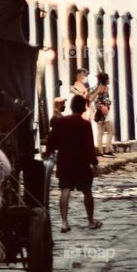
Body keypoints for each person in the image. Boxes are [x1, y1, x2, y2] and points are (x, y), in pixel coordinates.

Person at [45, 94, 101, 233]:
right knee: (87, 191)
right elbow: (89, 146)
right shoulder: (85, 124)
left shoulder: (60, 122)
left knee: (65, 191)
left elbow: (51, 140)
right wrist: (94, 163)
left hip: (64, 162)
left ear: (70, 107)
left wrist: (49, 152)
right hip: (81, 164)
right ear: (83, 108)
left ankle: (64, 223)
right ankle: (90, 221)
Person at [92, 71, 114, 156]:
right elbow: (105, 100)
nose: (109, 80)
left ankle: (101, 151)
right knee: (111, 131)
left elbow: (92, 98)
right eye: (108, 79)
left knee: (100, 132)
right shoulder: (105, 88)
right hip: (104, 112)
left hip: (98, 112)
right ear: (105, 80)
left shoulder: (96, 87)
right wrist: (109, 102)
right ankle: (107, 149)